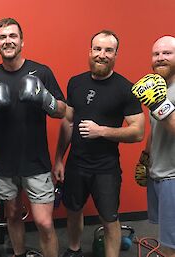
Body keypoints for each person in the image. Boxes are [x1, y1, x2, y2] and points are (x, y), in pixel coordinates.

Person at [0, 18, 66, 257]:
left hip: (36, 161)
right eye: (2, 37)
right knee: (13, 215)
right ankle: (19, 254)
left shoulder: (42, 71)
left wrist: (44, 98)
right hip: (5, 162)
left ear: (22, 41)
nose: (8, 41)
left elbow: (62, 111)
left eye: (12, 36)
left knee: (44, 223)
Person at [53, 30, 145, 257]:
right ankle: (74, 250)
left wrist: (101, 131)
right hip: (76, 164)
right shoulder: (75, 83)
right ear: (90, 51)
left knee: (109, 218)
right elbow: (68, 122)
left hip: (106, 167)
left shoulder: (126, 88)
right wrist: (59, 160)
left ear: (116, 54)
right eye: (97, 49)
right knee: (73, 211)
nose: (101, 55)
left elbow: (138, 132)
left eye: (108, 50)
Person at [132, 36, 175, 257]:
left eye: (167, 53)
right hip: (159, 171)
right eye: (156, 54)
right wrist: (146, 157)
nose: (160, 58)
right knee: (166, 238)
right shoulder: (160, 87)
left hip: (173, 176)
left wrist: (160, 106)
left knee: (171, 245)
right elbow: (156, 129)